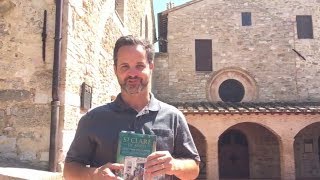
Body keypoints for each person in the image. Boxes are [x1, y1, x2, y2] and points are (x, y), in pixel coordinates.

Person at [63, 35, 200, 180]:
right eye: (125, 66)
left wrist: (174, 165)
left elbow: (194, 169)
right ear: (115, 69)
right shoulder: (92, 119)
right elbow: (69, 170)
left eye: (139, 66)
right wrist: (94, 174)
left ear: (151, 66)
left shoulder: (173, 117)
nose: (132, 74)